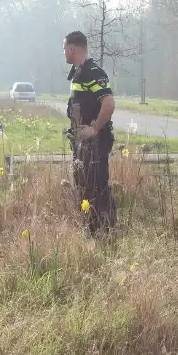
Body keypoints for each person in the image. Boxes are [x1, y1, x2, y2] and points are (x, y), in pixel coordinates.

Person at [64, 30, 117, 236]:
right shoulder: (79, 72)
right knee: (84, 186)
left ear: (71, 48)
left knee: (97, 187)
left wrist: (95, 129)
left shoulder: (92, 72)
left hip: (95, 143)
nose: (64, 54)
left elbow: (109, 103)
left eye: (64, 50)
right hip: (81, 144)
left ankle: (104, 232)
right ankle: (91, 230)